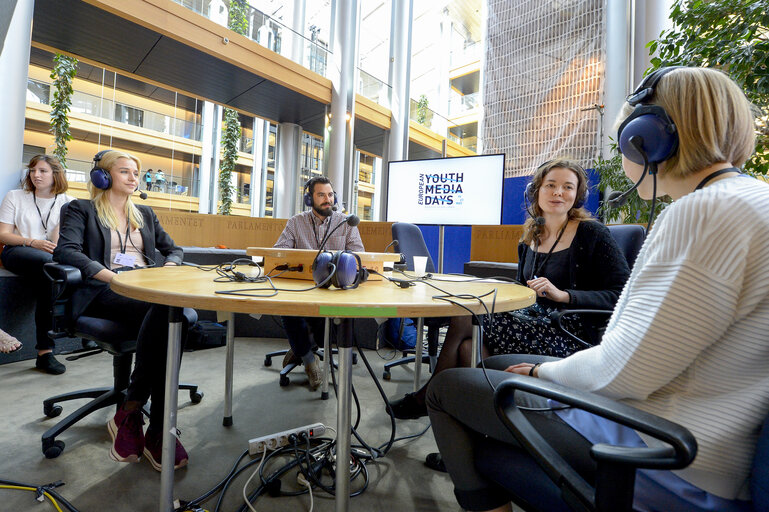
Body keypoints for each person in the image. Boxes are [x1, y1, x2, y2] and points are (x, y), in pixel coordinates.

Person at [427, 67, 764, 512]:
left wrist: (543, 375)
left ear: (645, 139)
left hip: (667, 455)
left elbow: (629, 369)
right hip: (711, 435)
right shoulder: (748, 199)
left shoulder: (703, 212)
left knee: (447, 389)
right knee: (503, 363)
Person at [388, 158, 630, 422]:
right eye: (550, 185)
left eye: (568, 187)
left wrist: (565, 295)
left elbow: (622, 294)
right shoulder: (530, 238)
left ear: (578, 195)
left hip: (567, 331)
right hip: (529, 322)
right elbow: (521, 288)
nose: (558, 192)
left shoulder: (592, 233)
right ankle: (468, 430)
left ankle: (428, 397)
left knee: (467, 316)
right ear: (536, 191)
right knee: (468, 347)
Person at [54, 150, 190, 471]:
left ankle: (135, 413)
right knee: (175, 313)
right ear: (103, 176)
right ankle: (156, 428)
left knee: (175, 312)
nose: (133, 178)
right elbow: (66, 250)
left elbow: (174, 249)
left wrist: (169, 267)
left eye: (136, 173)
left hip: (149, 290)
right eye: (125, 171)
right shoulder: (81, 209)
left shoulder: (144, 212)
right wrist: (112, 276)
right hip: (105, 289)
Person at [273, 176, 364, 390]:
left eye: (330, 195)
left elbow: (358, 253)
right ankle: (309, 360)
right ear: (309, 199)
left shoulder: (345, 222)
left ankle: (301, 347)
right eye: (321, 195)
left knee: (332, 316)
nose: (327, 200)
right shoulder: (296, 222)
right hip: (304, 288)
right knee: (289, 307)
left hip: (335, 289)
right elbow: (280, 254)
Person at [0, 155, 75, 374]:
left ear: (56, 174)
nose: (36, 175)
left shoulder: (66, 201)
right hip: (17, 250)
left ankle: (45, 353)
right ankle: (49, 348)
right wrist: (32, 242)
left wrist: (53, 244)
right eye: (33, 171)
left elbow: (59, 240)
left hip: (48, 257)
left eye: (42, 171)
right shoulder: (15, 196)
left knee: (49, 276)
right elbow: (3, 235)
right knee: (50, 266)